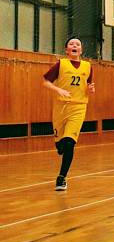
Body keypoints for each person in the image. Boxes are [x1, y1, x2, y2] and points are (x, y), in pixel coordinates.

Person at [42, 37, 95, 191]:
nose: (74, 46)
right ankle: (60, 145)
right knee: (60, 147)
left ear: (81, 50)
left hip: (79, 107)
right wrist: (58, 89)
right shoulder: (61, 64)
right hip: (61, 107)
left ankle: (61, 178)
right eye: (71, 44)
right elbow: (45, 81)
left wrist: (90, 89)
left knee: (70, 142)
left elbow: (89, 86)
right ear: (67, 50)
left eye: (77, 44)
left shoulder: (88, 66)